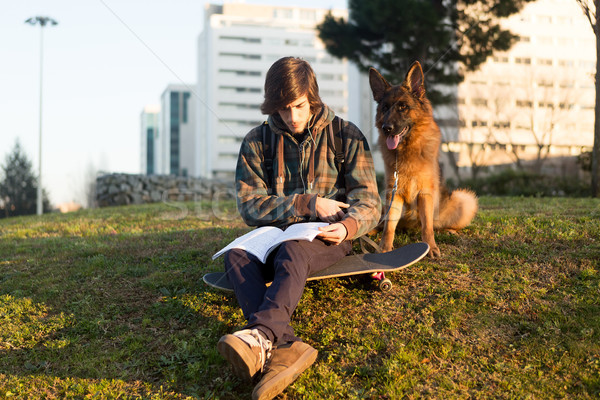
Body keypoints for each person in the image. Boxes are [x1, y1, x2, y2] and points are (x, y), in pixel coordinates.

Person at [218, 56, 381, 400]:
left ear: (313, 98)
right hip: (273, 236)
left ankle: (260, 336)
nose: (291, 117)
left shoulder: (346, 135)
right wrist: (305, 203)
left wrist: (349, 226)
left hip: (328, 236)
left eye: (299, 106)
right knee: (235, 255)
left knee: (293, 252)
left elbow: (370, 202)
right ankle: (286, 347)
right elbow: (249, 205)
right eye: (282, 109)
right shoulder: (256, 141)